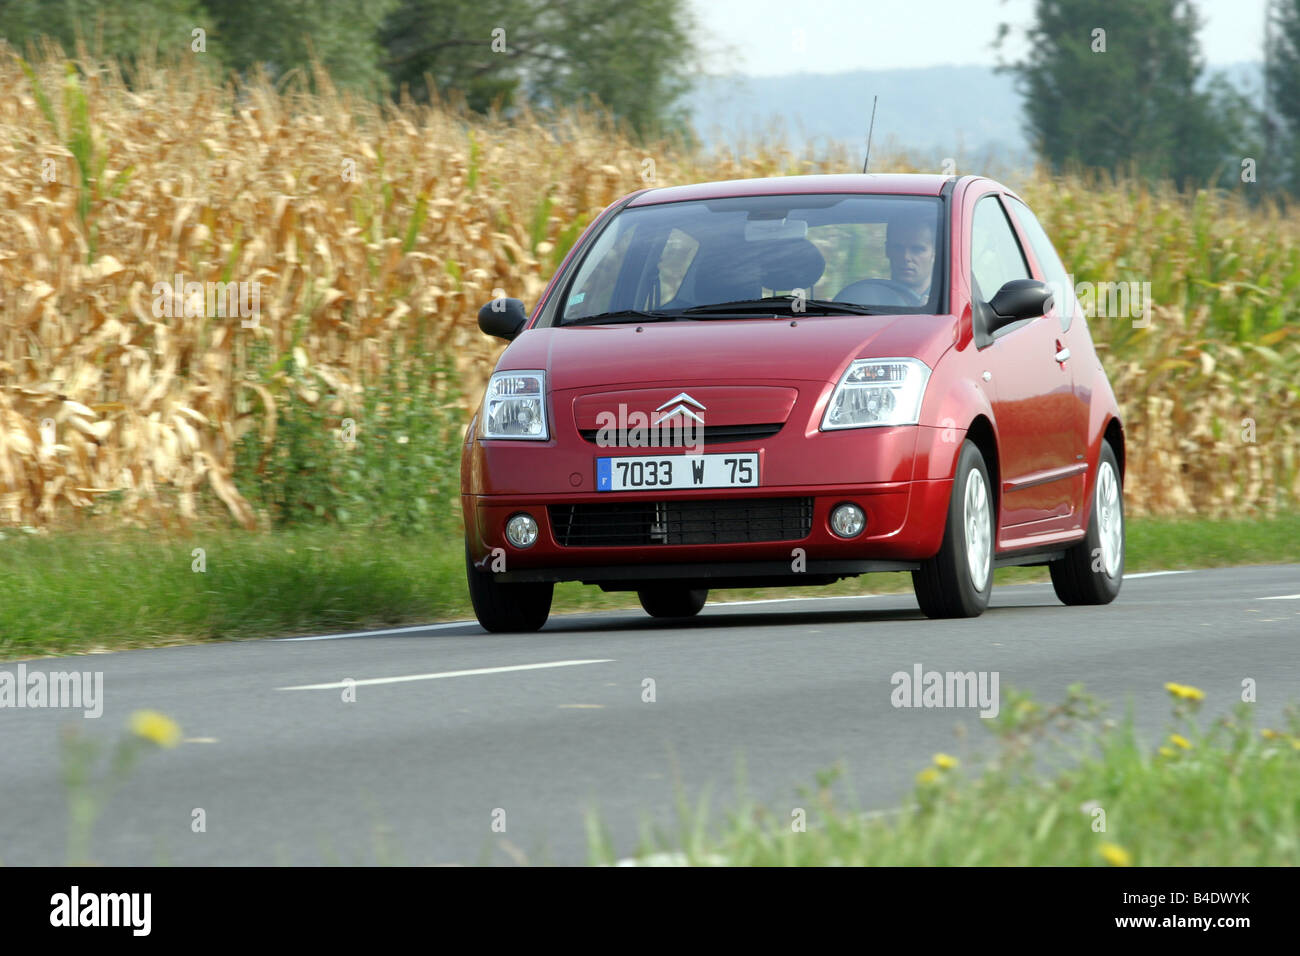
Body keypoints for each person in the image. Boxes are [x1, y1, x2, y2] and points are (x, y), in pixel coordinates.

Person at [885, 212, 936, 302]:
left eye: (917, 249)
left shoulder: (947, 303)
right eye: (898, 248)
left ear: (934, 252)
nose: (906, 257)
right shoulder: (867, 300)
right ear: (887, 250)